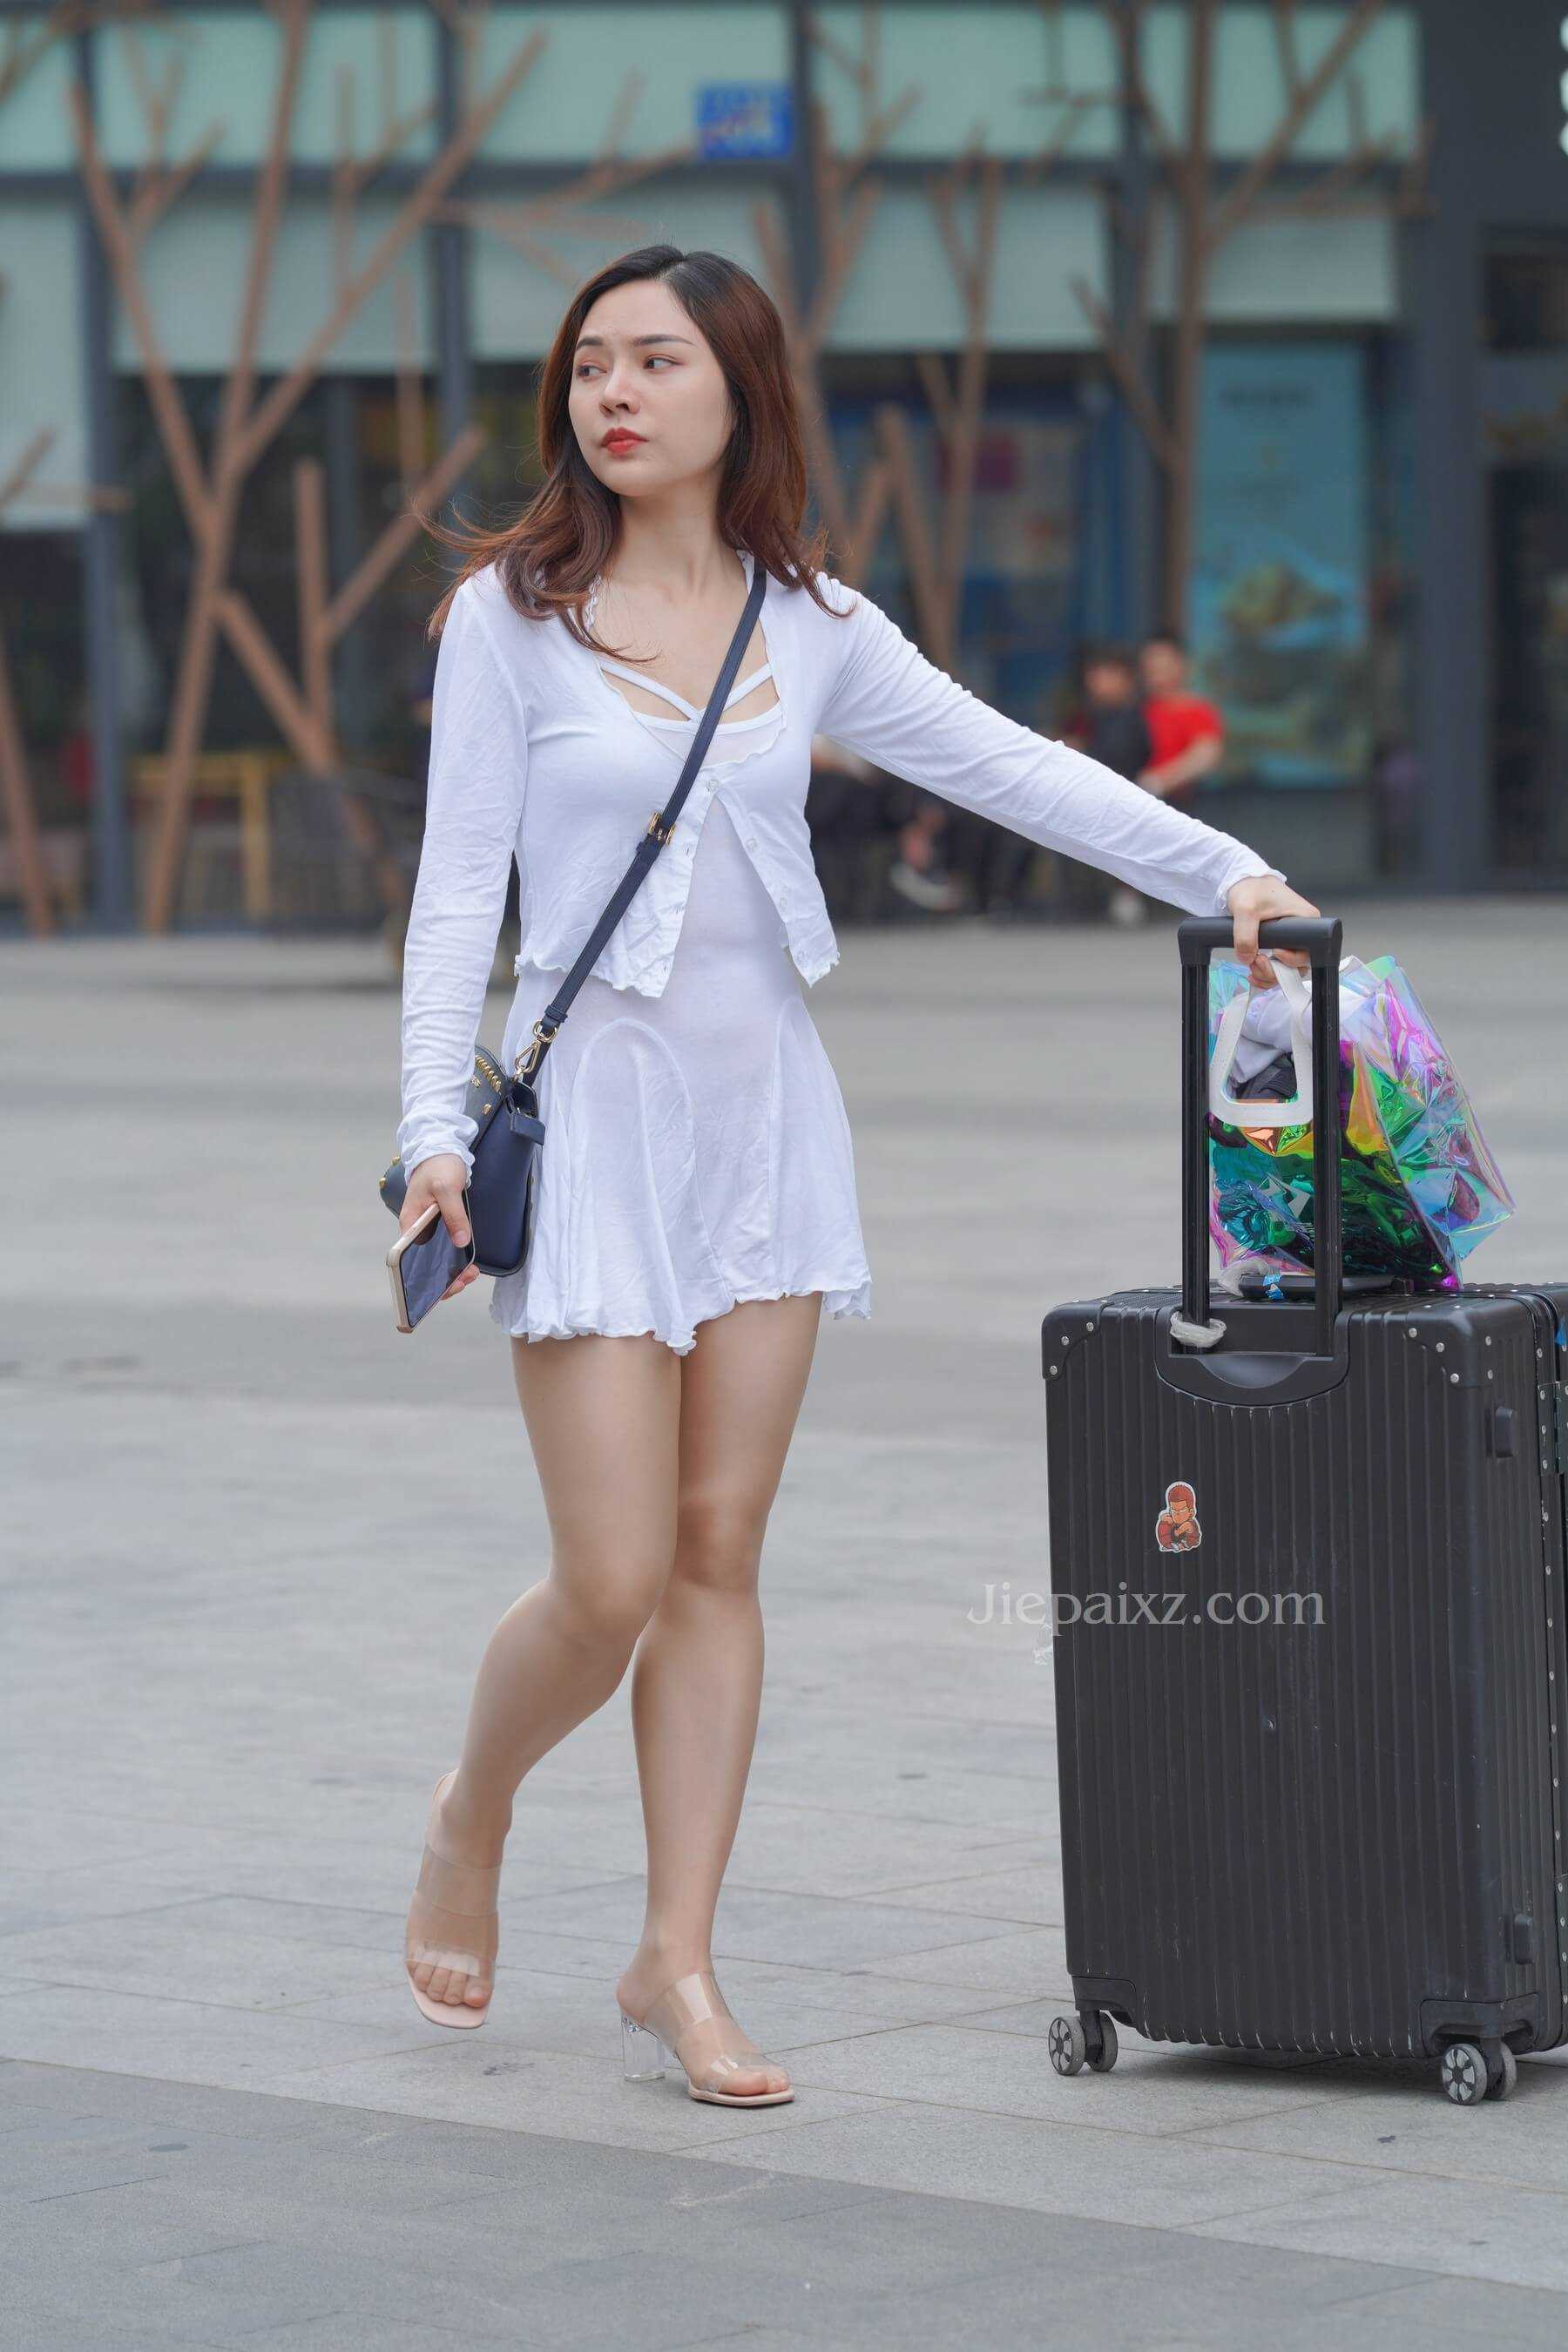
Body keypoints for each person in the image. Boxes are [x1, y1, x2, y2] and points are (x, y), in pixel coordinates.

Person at [395, 242, 1319, 2108]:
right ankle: (471, 1807)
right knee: (609, 1576)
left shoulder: (809, 622)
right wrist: (427, 1132)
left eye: (655, 360)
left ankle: (677, 1959)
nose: (613, 392)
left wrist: (1226, 871)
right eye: (590, 363)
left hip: (765, 1135)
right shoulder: (510, 619)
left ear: (741, 390)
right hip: (597, 1134)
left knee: (720, 1552)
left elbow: (1015, 772)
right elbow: (454, 891)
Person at [1105, 630, 1227, 928]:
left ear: (1182, 666)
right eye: (1151, 667)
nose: (1157, 674)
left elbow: (1206, 754)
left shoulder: (1196, 710)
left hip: (1173, 797)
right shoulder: (1133, 710)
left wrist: (1160, 780)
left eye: (1164, 666)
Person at [1058, 643, 1153, 920]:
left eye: (1108, 674)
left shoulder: (1138, 716)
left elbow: (1129, 757)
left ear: (1127, 678)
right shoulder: (1083, 716)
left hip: (1130, 793)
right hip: (1083, 793)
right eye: (1095, 675)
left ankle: (1127, 892)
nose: (1100, 682)